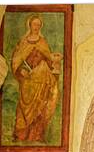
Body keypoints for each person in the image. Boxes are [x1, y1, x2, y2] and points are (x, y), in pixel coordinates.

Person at [11, 14, 62, 142]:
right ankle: (21, 134)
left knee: (40, 106)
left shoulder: (42, 42)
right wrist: (21, 70)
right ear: (30, 25)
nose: (36, 27)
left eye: (38, 25)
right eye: (34, 24)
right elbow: (16, 60)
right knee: (24, 107)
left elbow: (49, 59)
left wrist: (53, 62)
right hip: (27, 80)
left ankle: (36, 135)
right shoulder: (23, 42)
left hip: (41, 78)